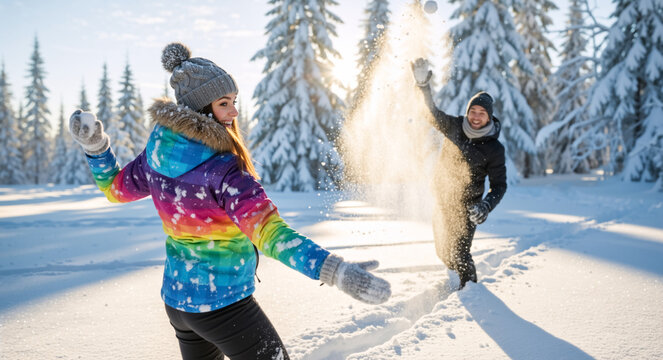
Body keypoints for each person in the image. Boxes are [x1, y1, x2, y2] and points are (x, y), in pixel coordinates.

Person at [68, 42, 391, 360]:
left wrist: (97, 150)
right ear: (201, 108)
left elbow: (114, 188)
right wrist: (334, 270)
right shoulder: (224, 172)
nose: (234, 111)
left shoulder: (156, 155)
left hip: (179, 302)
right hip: (223, 306)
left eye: (234, 100)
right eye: (224, 102)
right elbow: (270, 233)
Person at [411, 58, 507, 289]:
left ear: (488, 117)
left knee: (460, 254)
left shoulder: (494, 148)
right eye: (472, 110)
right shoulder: (455, 127)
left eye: (481, 113)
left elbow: (499, 185)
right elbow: (429, 113)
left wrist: (485, 206)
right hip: (443, 201)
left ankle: (471, 291)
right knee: (443, 252)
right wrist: (423, 86)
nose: (475, 116)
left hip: (468, 207)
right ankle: (457, 279)